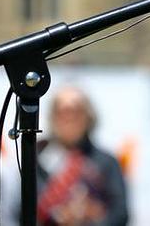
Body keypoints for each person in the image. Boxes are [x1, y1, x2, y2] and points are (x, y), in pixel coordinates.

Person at [35, 86, 128, 226]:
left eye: (76, 111)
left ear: (88, 116)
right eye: (62, 111)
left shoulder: (106, 161)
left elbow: (120, 213)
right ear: (53, 117)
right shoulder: (36, 158)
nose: (69, 118)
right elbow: (20, 209)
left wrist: (88, 215)